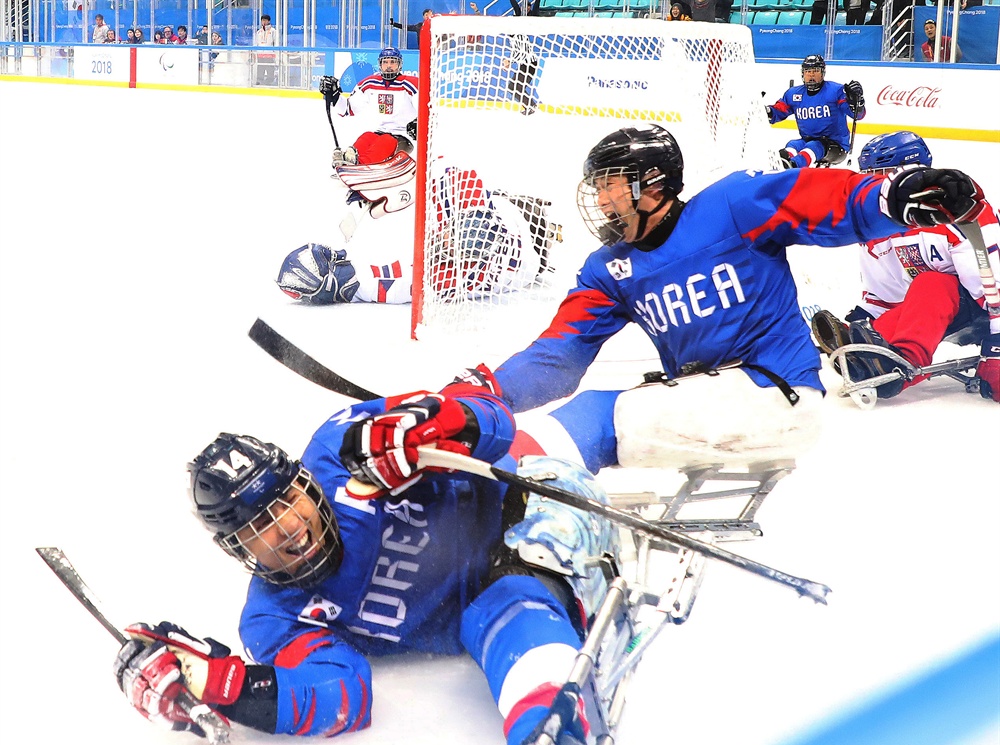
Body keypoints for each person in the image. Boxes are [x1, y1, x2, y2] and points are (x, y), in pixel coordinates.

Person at [335, 123, 985, 477]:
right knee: (573, 409)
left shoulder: (730, 207)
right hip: (702, 405)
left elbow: (822, 202)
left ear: (652, 184)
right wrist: (480, 393)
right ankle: (470, 447)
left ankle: (490, 466)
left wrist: (892, 196)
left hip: (779, 396)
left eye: (612, 185)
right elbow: (555, 358)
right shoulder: (607, 270)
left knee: (593, 415)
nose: (603, 199)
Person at [112, 408, 619, 745]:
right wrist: (223, 685)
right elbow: (342, 695)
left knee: (507, 599)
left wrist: (432, 421)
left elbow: (494, 419)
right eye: (259, 527)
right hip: (509, 588)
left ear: (306, 481)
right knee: (495, 607)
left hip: (540, 499)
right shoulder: (273, 616)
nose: (288, 528)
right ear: (238, 550)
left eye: (289, 502)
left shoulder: (339, 444)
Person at [809, 131, 1000, 401]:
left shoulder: (958, 209)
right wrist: (861, 322)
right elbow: (885, 296)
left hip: (986, 308)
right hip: (937, 308)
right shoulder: (877, 230)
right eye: (868, 176)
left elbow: (994, 287)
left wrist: (997, 345)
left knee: (931, 282)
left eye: (880, 174)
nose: (873, 185)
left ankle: (903, 363)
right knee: (887, 320)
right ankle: (863, 353)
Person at [276, 166, 556, 305]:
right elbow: (436, 277)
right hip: (518, 247)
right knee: (444, 174)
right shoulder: (380, 286)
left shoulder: (368, 283)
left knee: (442, 179)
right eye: (328, 261)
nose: (336, 255)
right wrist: (450, 243)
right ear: (327, 283)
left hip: (517, 249)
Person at [321, 48, 419, 166]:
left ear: (399, 64)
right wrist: (334, 95)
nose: (389, 66)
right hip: (379, 133)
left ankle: (360, 163)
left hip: (402, 138)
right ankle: (349, 158)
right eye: (385, 62)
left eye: (393, 62)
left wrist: (419, 123)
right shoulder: (370, 83)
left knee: (386, 141)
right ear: (380, 64)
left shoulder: (412, 84)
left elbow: (429, 108)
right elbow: (347, 109)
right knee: (366, 137)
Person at [766, 55, 865, 169]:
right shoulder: (793, 94)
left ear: (822, 73)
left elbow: (858, 115)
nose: (811, 74)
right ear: (803, 74)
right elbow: (779, 111)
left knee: (813, 147)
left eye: (816, 71)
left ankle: (793, 166)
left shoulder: (836, 90)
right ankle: (782, 164)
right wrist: (768, 111)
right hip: (807, 141)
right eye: (808, 71)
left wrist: (857, 103)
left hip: (836, 146)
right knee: (792, 145)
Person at [255, 13, 278, 85]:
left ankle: (269, 80)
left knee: (270, 68)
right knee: (260, 68)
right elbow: (256, 43)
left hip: (269, 54)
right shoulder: (259, 32)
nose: (264, 22)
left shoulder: (273, 31)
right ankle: (259, 80)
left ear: (268, 21)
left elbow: (276, 43)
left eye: (265, 20)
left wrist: (275, 53)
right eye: (262, 20)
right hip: (260, 54)